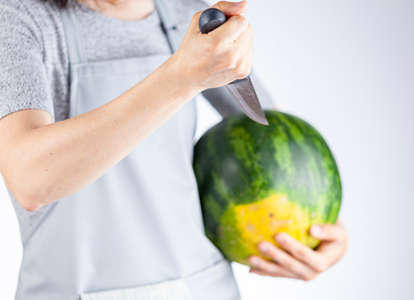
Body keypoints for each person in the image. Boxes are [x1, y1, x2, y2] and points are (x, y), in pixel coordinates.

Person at [0, 0, 348, 299]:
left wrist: (315, 233)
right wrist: (182, 76)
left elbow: (271, 144)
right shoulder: (18, 20)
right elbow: (31, 178)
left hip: (201, 287)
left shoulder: (186, 15)